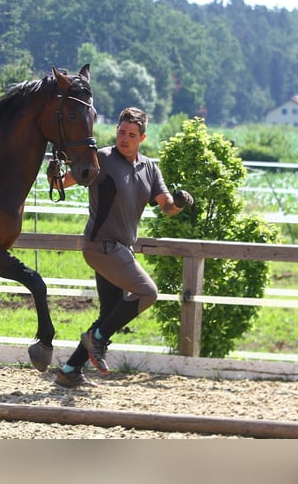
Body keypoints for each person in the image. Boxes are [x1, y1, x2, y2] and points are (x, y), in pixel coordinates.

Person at [54, 107, 194, 388]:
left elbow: (166, 206)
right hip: (101, 246)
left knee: (110, 313)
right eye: (121, 132)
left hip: (121, 250)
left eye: (131, 135)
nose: (124, 139)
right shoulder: (102, 159)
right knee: (147, 292)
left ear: (142, 137)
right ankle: (97, 340)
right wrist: (55, 173)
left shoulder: (150, 168)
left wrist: (178, 202)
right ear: (116, 131)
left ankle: (70, 370)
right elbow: (62, 183)